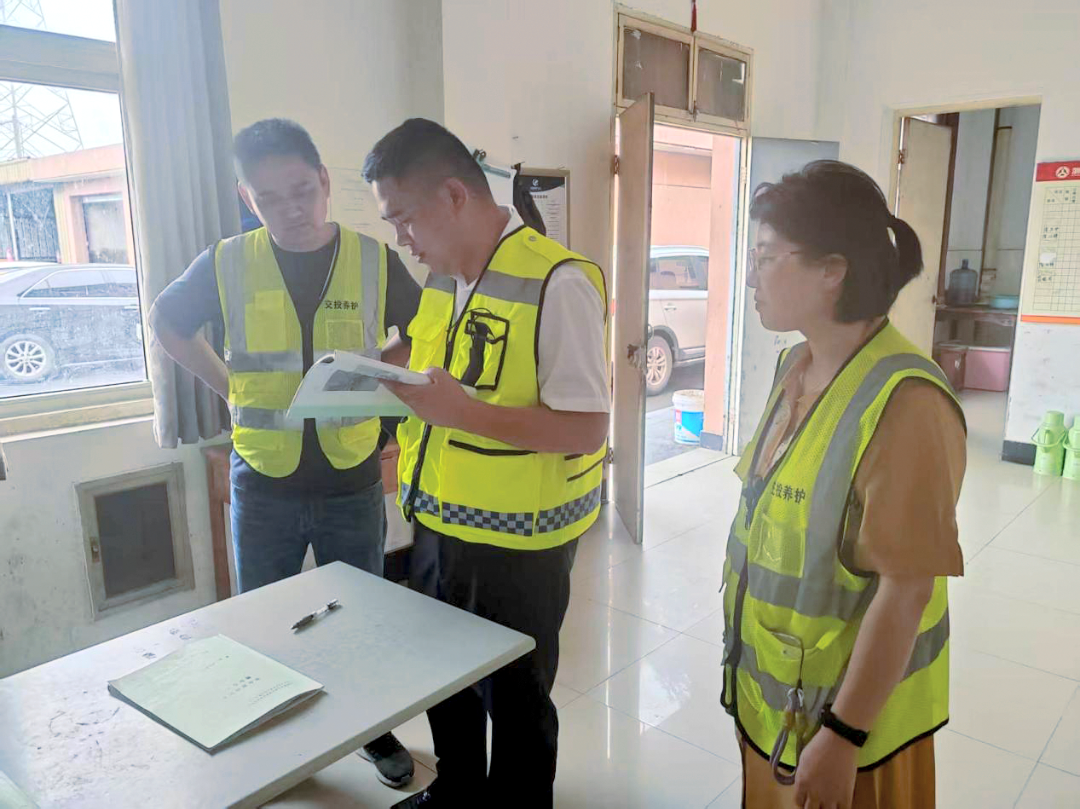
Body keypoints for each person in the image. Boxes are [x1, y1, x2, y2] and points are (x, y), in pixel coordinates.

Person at [148, 118, 418, 789]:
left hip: (350, 477)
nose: (291, 209)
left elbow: (421, 328)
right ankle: (277, 744)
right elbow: (168, 321)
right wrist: (228, 387)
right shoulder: (227, 261)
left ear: (324, 181)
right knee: (264, 625)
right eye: (269, 198)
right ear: (248, 198)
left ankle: (369, 729)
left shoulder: (371, 257)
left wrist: (372, 376)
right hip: (263, 481)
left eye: (301, 191)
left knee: (357, 619)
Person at [363, 119, 610, 809]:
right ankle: (458, 792)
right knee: (446, 682)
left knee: (517, 704)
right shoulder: (444, 282)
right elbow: (435, 368)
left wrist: (462, 413)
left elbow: (588, 428)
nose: (402, 239)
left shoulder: (559, 282)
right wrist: (372, 369)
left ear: (453, 196)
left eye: (405, 218)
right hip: (437, 521)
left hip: (518, 548)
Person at [720, 160, 966, 809]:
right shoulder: (793, 368)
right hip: (779, 706)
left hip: (853, 731)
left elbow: (906, 589)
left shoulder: (906, 402)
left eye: (766, 256)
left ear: (832, 269)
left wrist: (844, 734)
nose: (751, 276)